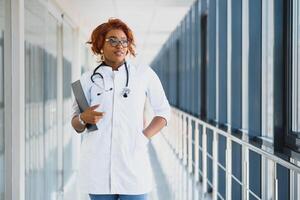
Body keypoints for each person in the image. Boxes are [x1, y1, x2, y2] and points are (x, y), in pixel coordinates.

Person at [71, 18, 171, 200]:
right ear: (100, 44)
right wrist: (83, 118)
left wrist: (143, 137)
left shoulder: (143, 74)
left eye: (124, 41)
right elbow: (76, 124)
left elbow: (164, 112)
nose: (120, 45)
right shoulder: (86, 80)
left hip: (133, 165)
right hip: (97, 169)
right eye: (113, 40)